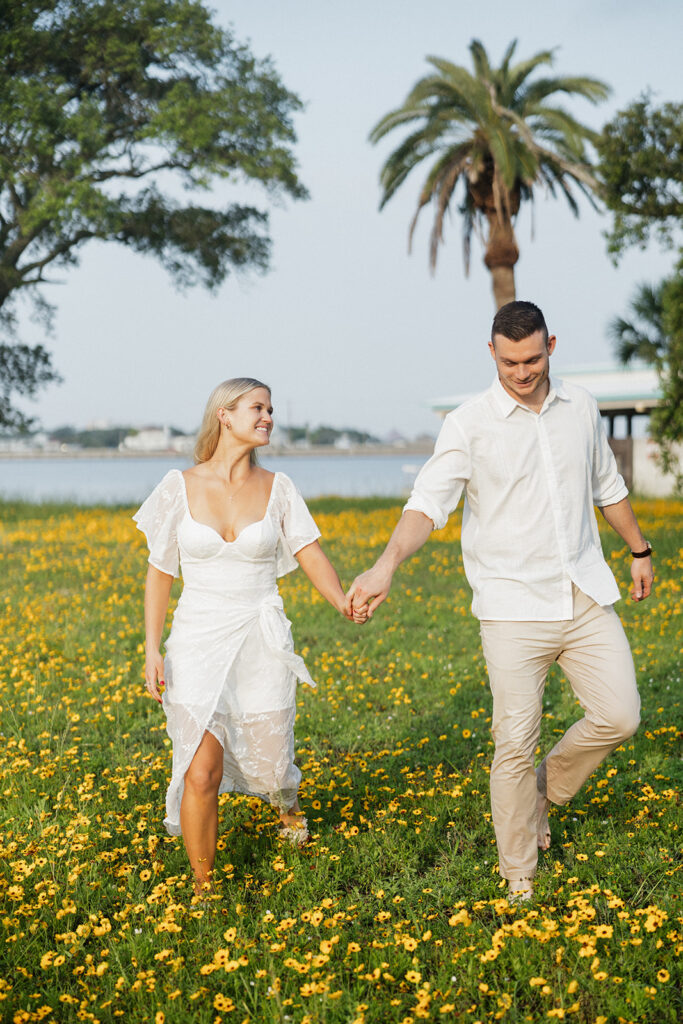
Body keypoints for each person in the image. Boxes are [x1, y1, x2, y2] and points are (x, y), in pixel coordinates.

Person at [346, 301, 653, 903]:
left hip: (584, 593)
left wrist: (639, 549)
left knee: (621, 715)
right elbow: (428, 505)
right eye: (510, 360)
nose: (522, 371)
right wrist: (386, 564)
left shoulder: (582, 408)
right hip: (512, 608)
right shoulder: (468, 424)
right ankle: (519, 877)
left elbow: (607, 488)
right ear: (492, 353)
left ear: (551, 346)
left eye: (533, 358)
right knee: (514, 742)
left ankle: (545, 791)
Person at [134, 377, 361, 895]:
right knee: (200, 770)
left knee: (271, 758)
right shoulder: (179, 486)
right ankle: (203, 885)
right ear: (225, 415)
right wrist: (151, 647)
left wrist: (342, 601)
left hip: (260, 637)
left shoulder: (279, 487)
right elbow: (159, 571)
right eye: (257, 408)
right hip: (197, 639)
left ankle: (288, 810)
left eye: (271, 409)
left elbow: (309, 553)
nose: (268, 417)